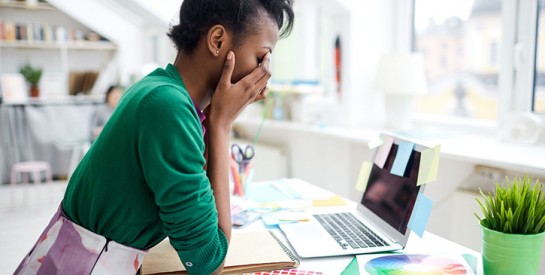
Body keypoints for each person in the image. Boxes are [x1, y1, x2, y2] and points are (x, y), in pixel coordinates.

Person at [14, 0, 294, 274]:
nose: (265, 72)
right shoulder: (168, 107)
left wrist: (215, 115)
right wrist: (221, 124)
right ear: (218, 40)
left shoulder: (159, 89)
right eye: (261, 57)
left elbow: (193, 219)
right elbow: (208, 260)